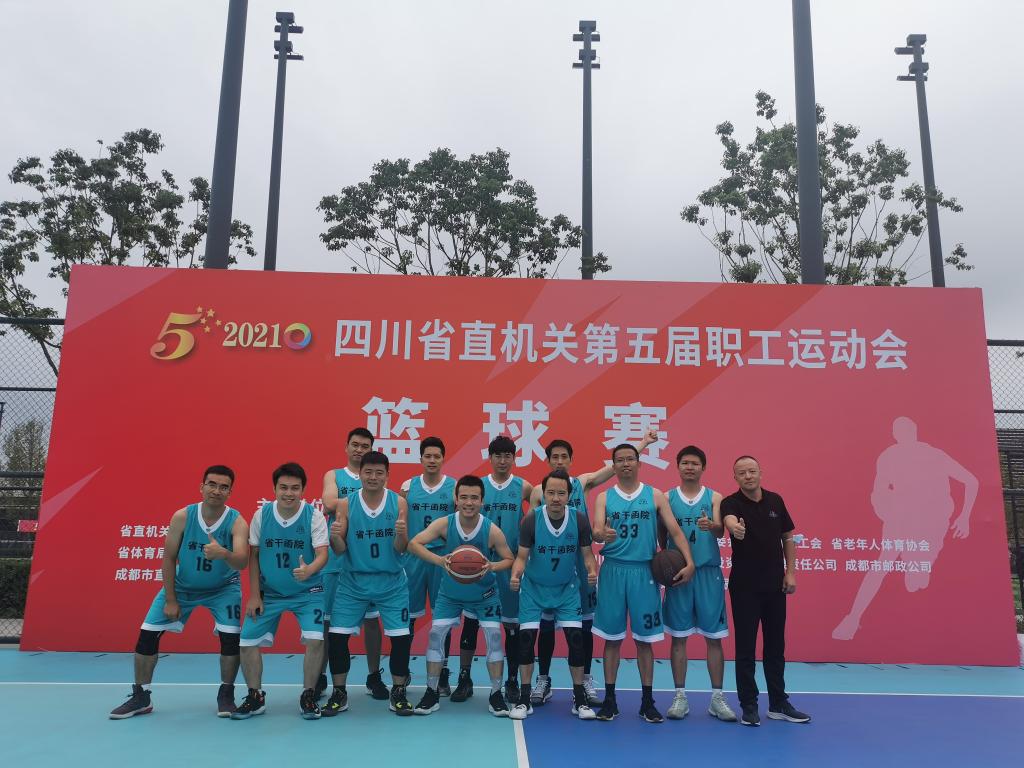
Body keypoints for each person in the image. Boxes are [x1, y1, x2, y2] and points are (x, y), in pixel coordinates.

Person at [526, 431, 658, 707]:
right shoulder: (539, 491)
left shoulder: (582, 483)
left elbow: (616, 466)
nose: (559, 461)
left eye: (564, 457)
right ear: (548, 461)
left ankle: (585, 678)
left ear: (571, 460)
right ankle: (543, 678)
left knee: (584, 625)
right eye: (554, 457)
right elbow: (530, 529)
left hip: (581, 562)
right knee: (546, 626)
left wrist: (644, 443)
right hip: (551, 566)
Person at [110, 465, 249, 719]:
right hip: (183, 587)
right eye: (212, 484)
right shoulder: (183, 517)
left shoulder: (237, 521)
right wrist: (171, 598)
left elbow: (242, 562)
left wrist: (224, 553)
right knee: (147, 636)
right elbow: (168, 558)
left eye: (223, 487)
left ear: (230, 492)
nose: (216, 490)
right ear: (202, 487)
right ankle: (141, 696)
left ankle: (226, 694)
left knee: (230, 639)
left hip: (223, 589)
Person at [832, 416, 979, 640]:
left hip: (932, 522)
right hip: (900, 519)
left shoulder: (935, 456)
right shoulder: (888, 457)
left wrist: (965, 516)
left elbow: (971, 481)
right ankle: (852, 618)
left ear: (914, 432)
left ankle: (918, 569)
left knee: (917, 580)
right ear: (895, 435)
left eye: (906, 431)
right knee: (882, 564)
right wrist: (886, 512)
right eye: (899, 432)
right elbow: (878, 491)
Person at [592, 444, 695, 723]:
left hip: (644, 572)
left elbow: (675, 531)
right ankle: (610, 700)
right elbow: (597, 530)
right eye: (620, 460)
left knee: (644, 641)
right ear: (614, 466)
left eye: (630, 459)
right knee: (612, 640)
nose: (625, 463)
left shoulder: (655, 495)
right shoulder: (604, 497)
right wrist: (602, 535)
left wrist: (690, 562)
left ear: (639, 464)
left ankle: (647, 702)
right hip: (613, 571)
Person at [407, 475, 517, 717]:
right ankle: (431, 692)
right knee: (436, 635)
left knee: (494, 638)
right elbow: (414, 543)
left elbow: (509, 558)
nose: (469, 502)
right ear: (455, 499)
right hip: (450, 594)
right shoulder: (445, 524)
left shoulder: (491, 529)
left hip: (485, 594)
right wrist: (439, 560)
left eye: (474, 498)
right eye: (464, 497)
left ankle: (496, 694)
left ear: (482, 501)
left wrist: (492, 566)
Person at [232, 463, 329, 720]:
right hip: (270, 593)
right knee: (247, 642)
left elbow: (322, 554)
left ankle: (308, 694)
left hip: (308, 591)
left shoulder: (313, 516)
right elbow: (254, 555)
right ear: (274, 489)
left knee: (315, 639)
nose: (289, 493)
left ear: (303, 490)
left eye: (295, 488)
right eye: (283, 487)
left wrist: (310, 570)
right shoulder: (262, 515)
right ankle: (255, 696)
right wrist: (255, 595)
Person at [324, 451, 415, 717]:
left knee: (401, 638)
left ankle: (398, 692)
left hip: (391, 582)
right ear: (360, 474)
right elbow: (339, 550)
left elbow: (401, 548)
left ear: (387, 475)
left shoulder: (399, 503)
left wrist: (401, 535)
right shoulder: (345, 504)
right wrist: (335, 537)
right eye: (368, 472)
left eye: (379, 472)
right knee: (337, 636)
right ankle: (339, 693)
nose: (373, 477)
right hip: (353, 581)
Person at [723, 456, 810, 726]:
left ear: (761, 473)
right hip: (744, 587)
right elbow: (729, 520)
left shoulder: (776, 501)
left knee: (775, 646)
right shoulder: (731, 503)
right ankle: (749, 705)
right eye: (742, 473)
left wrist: (790, 572)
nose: (748, 476)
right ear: (735, 478)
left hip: (774, 585)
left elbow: (788, 537)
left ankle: (778, 703)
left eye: (752, 471)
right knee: (745, 648)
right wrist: (734, 528)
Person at [509, 469, 598, 720]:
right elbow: (521, 557)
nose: (556, 498)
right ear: (543, 494)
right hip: (534, 589)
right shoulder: (531, 520)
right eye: (551, 493)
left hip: (566, 589)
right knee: (526, 640)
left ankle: (579, 699)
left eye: (561, 493)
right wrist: (516, 575)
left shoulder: (579, 519)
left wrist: (592, 570)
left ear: (569, 495)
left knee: (576, 640)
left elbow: (587, 554)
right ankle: (524, 699)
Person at [659, 446, 736, 722]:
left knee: (714, 639)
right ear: (678, 466)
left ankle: (717, 698)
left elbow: (720, 529)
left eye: (694, 463)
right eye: (685, 463)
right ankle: (680, 696)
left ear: (703, 467)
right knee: (678, 638)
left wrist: (711, 526)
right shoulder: (666, 498)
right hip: (680, 575)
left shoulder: (714, 497)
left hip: (707, 574)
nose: (689, 467)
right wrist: (667, 562)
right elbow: (661, 533)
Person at [456, 436, 533, 705]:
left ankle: (511, 680)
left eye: (507, 455)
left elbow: (535, 517)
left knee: (511, 626)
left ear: (514, 458)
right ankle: (464, 679)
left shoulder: (524, 487)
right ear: (490, 458)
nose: (502, 460)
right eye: (497, 455)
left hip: (509, 566)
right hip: (478, 567)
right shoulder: (479, 487)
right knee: (471, 623)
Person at [321, 427, 389, 700]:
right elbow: (328, 503)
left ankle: (374, 676)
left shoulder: (375, 478)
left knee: (372, 622)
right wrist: (363, 501)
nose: (359, 449)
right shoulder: (334, 475)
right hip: (337, 559)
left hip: (366, 560)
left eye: (365, 446)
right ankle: (321, 677)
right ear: (346, 447)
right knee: (329, 623)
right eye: (355, 445)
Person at [400, 436, 457, 696]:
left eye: (437, 456)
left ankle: (442, 671)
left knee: (443, 617)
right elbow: (400, 522)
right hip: (413, 558)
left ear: (443, 458)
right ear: (421, 458)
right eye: (428, 456)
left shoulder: (453, 487)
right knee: (408, 617)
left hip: (442, 559)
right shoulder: (408, 486)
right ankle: (402, 670)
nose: (432, 460)